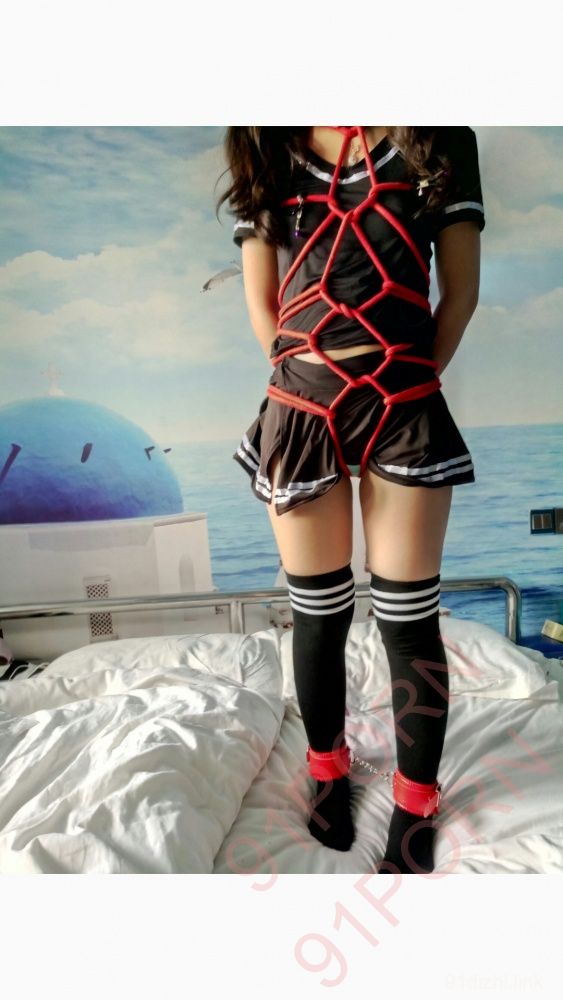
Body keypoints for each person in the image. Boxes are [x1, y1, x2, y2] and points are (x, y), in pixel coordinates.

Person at [216, 126, 485, 873]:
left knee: (408, 621)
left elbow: (460, 294)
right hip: (302, 406)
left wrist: (406, 382)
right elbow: (263, 302)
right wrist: (302, 383)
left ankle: (415, 803)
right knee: (319, 613)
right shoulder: (266, 143)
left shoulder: (439, 137)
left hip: (403, 402)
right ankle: (329, 775)